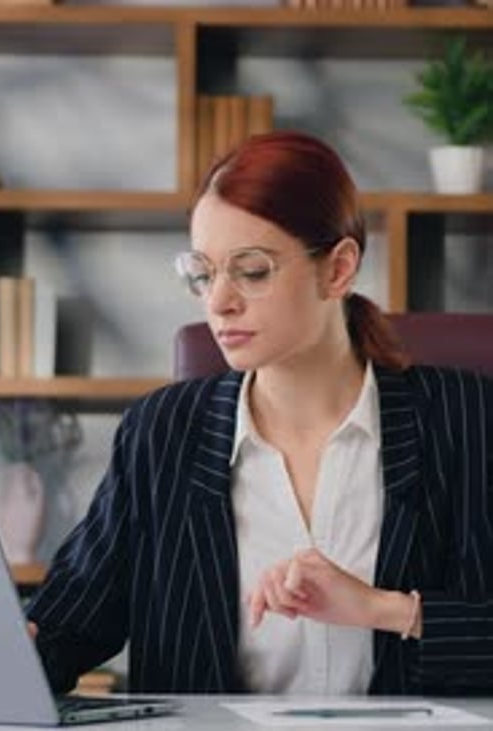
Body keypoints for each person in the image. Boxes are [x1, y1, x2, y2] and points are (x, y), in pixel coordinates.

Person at [27, 130, 493, 697]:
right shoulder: (161, 433)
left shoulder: (465, 419)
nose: (218, 301)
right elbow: (64, 627)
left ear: (339, 269)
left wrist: (385, 609)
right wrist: (20, 653)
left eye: (251, 270)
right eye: (202, 272)